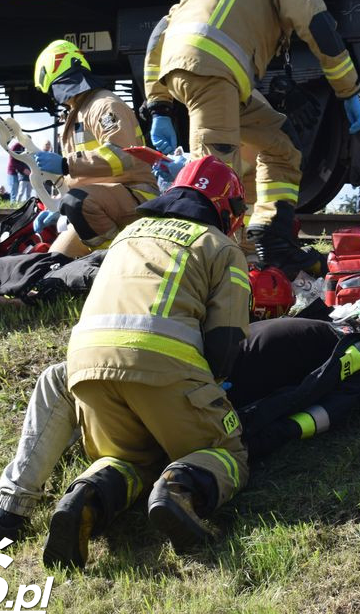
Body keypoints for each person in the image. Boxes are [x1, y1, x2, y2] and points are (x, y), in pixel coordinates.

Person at [0, 311, 360, 555]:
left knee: (127, 446)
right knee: (209, 454)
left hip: (105, 366)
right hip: (189, 391)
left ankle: (75, 495)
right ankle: (178, 489)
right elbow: (314, 399)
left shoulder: (297, 326)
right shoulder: (342, 345)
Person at [31, 155, 251, 568]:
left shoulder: (128, 235)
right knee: (225, 452)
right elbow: (225, 342)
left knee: (130, 459)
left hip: (84, 367)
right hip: (162, 364)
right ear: (227, 207)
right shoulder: (219, 246)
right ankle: (179, 489)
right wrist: (213, 389)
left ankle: (86, 497)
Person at [142, 0, 360, 276]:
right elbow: (316, 22)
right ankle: (206, 275)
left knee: (281, 143)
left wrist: (159, 105)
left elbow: (159, 33)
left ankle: (269, 241)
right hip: (215, 73)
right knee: (215, 177)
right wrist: (348, 90)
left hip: (205, 74)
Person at [31, 39, 159, 258]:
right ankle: (99, 259)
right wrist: (59, 207)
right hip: (101, 201)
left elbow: (123, 156)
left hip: (135, 195)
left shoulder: (104, 106)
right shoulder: (77, 113)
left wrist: (65, 164)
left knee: (77, 202)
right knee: (55, 261)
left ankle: (112, 259)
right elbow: (85, 179)